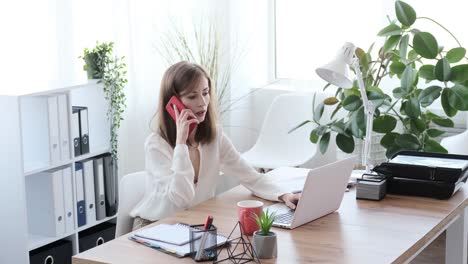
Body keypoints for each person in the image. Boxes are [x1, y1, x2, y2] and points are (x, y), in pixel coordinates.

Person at [130, 61, 301, 230]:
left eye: (205, 93)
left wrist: (284, 195)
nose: (202, 102)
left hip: (192, 223)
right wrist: (181, 144)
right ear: (173, 103)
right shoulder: (156, 145)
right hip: (156, 225)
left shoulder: (214, 137)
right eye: (192, 96)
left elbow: (250, 176)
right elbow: (180, 198)